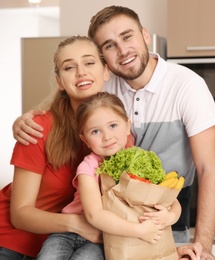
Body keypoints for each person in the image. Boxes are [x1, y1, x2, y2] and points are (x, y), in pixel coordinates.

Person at [12, 5, 215, 259]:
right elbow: (70, 92)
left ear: (145, 35)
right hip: (103, 224)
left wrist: (204, 246)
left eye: (127, 36)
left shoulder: (187, 86)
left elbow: (209, 170)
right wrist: (29, 116)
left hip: (160, 214)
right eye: (109, 45)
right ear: (105, 61)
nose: (122, 51)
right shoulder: (105, 85)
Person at [37, 92, 182, 259]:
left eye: (113, 126)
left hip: (105, 238)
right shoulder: (88, 167)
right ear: (85, 140)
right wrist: (139, 231)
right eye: (95, 131)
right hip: (67, 232)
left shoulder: (140, 161)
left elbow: (172, 201)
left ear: (128, 126)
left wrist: (168, 217)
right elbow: (94, 215)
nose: (107, 137)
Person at [0, 35, 108, 260]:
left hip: (65, 243)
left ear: (105, 71)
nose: (81, 72)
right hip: (12, 241)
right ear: (60, 81)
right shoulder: (37, 128)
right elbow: (20, 214)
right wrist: (79, 224)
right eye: (69, 67)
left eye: (89, 63)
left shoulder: (115, 132)